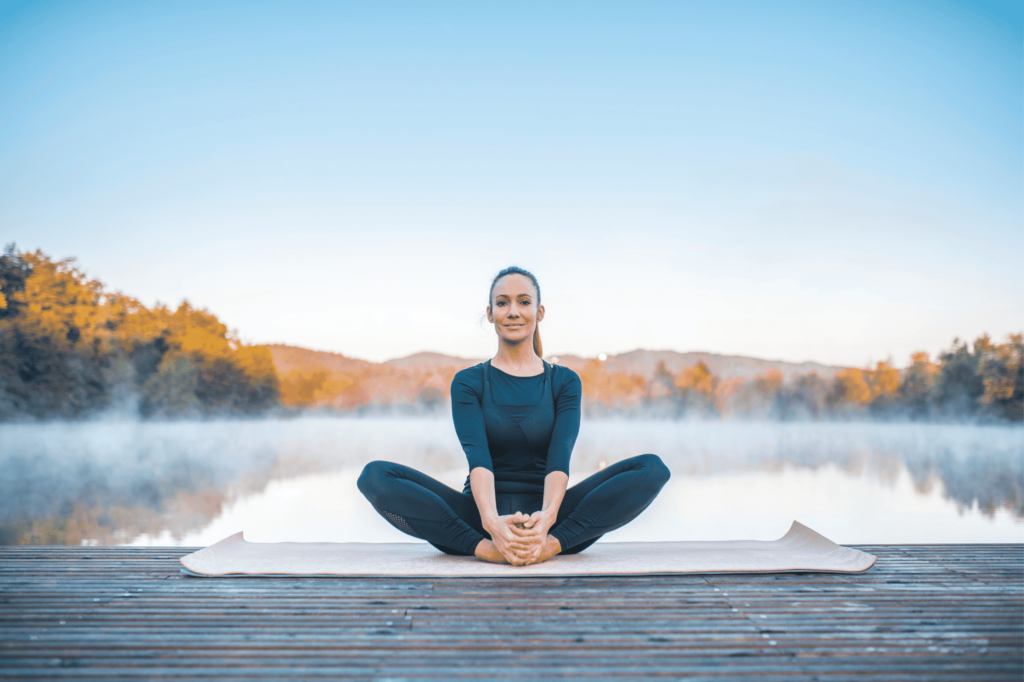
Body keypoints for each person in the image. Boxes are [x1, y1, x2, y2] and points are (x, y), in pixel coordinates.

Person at [357, 266, 670, 566]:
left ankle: (548, 549)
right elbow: (478, 460)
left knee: (652, 469)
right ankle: (488, 551)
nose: (513, 311)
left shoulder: (564, 381)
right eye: (503, 303)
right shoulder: (469, 382)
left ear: (539, 312)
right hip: (479, 520)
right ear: (491, 313)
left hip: (554, 522)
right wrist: (492, 525)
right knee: (375, 477)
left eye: (524, 302)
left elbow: (559, 458)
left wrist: (547, 522)